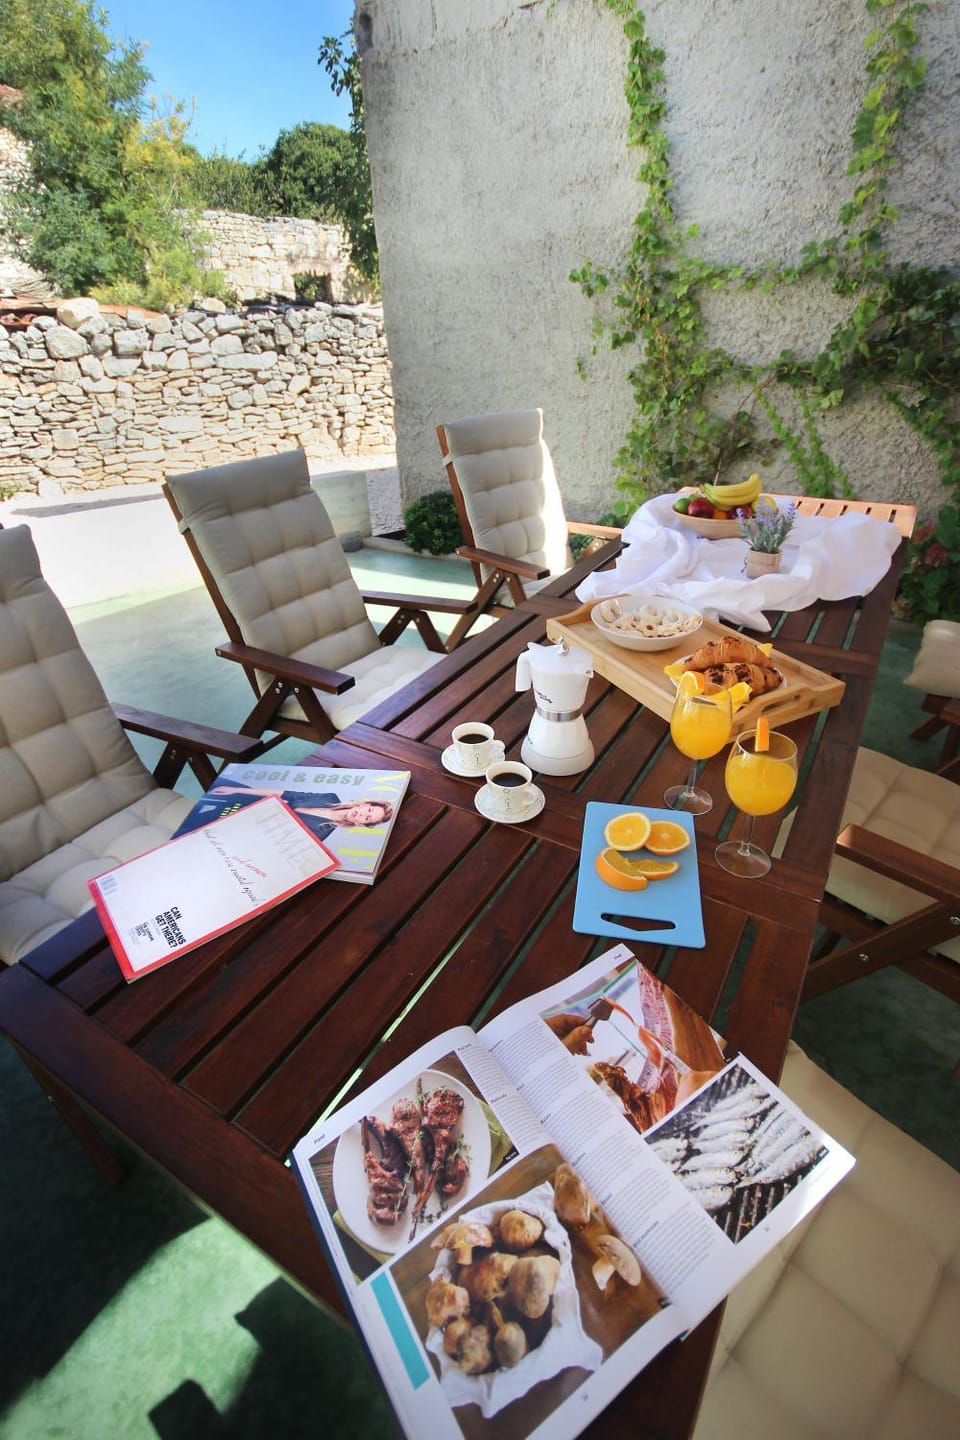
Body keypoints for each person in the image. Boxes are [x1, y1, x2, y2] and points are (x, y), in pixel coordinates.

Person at [177, 781, 393, 843]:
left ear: (361, 825)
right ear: (365, 804)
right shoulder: (330, 798)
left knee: (191, 829)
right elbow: (285, 792)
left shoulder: (321, 833)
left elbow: (268, 837)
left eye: (367, 819)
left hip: (250, 823)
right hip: (257, 803)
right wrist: (236, 789)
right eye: (369, 810)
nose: (362, 815)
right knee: (225, 785)